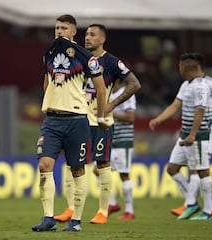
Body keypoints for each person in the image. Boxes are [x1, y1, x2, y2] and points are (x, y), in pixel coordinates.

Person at [54, 24, 141, 224]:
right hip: (77, 118)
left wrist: (111, 104)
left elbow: (134, 83)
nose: (88, 38)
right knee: (71, 164)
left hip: (101, 121)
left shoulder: (111, 62)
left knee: (103, 164)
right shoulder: (77, 56)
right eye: (86, 34)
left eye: (93, 35)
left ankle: (103, 211)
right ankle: (69, 209)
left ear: (102, 39)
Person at [31, 15, 109, 232]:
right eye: (56, 27)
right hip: (53, 121)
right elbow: (46, 82)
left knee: (77, 170)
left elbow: (101, 89)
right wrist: (47, 102)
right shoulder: (48, 53)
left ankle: (75, 221)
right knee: (44, 165)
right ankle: (48, 218)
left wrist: (101, 117)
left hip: (76, 120)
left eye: (64, 28)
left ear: (74, 32)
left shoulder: (86, 57)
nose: (59, 31)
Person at [169, 61, 212, 220]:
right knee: (181, 168)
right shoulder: (188, 85)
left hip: (205, 133)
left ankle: (205, 209)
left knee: (199, 170)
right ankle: (195, 204)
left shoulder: (210, 84)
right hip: (192, 132)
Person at [149, 52, 212, 220]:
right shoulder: (186, 84)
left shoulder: (200, 86)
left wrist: (193, 134)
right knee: (172, 168)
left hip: (197, 136)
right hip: (184, 136)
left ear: (185, 67)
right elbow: (175, 105)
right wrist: (159, 119)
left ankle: (208, 212)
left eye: (179, 65)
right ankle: (191, 203)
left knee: (203, 171)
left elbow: (200, 110)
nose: (178, 68)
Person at [107, 81, 137, 220]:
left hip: (123, 140)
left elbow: (130, 117)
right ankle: (112, 203)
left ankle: (129, 211)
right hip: (109, 139)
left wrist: (109, 111)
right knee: (98, 170)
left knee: (124, 174)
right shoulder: (108, 93)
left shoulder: (127, 93)